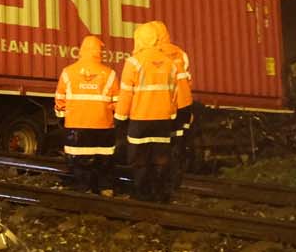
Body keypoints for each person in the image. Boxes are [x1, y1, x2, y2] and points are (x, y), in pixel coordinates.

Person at [113, 22, 179, 202]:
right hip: (163, 119)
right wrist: (172, 115)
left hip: (140, 119)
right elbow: (174, 92)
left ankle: (141, 193)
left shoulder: (134, 62)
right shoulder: (169, 63)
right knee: (160, 158)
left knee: (139, 158)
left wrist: (119, 118)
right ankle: (159, 194)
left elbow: (126, 93)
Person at [53, 35, 120, 195]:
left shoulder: (68, 72)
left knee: (78, 158)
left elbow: (60, 99)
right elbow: (117, 101)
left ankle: (83, 188)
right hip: (103, 124)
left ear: (82, 50)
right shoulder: (110, 74)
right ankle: (105, 188)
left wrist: (62, 116)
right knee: (104, 158)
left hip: (76, 124)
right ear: (99, 52)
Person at [149, 19, 195, 193]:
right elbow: (187, 81)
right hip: (182, 106)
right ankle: (172, 184)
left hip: (161, 108)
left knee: (158, 146)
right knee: (176, 146)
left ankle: (158, 185)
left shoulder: (152, 56)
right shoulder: (180, 54)